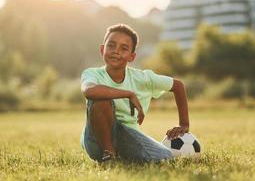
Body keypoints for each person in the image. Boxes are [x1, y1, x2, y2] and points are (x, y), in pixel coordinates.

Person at [80, 24, 189, 162]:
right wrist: (128, 94)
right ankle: (109, 154)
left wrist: (184, 124)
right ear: (102, 49)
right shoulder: (92, 74)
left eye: (123, 48)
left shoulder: (143, 79)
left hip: (128, 137)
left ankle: (118, 155)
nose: (116, 51)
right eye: (111, 46)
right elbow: (89, 91)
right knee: (101, 99)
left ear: (132, 57)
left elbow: (178, 86)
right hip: (96, 141)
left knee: (164, 157)